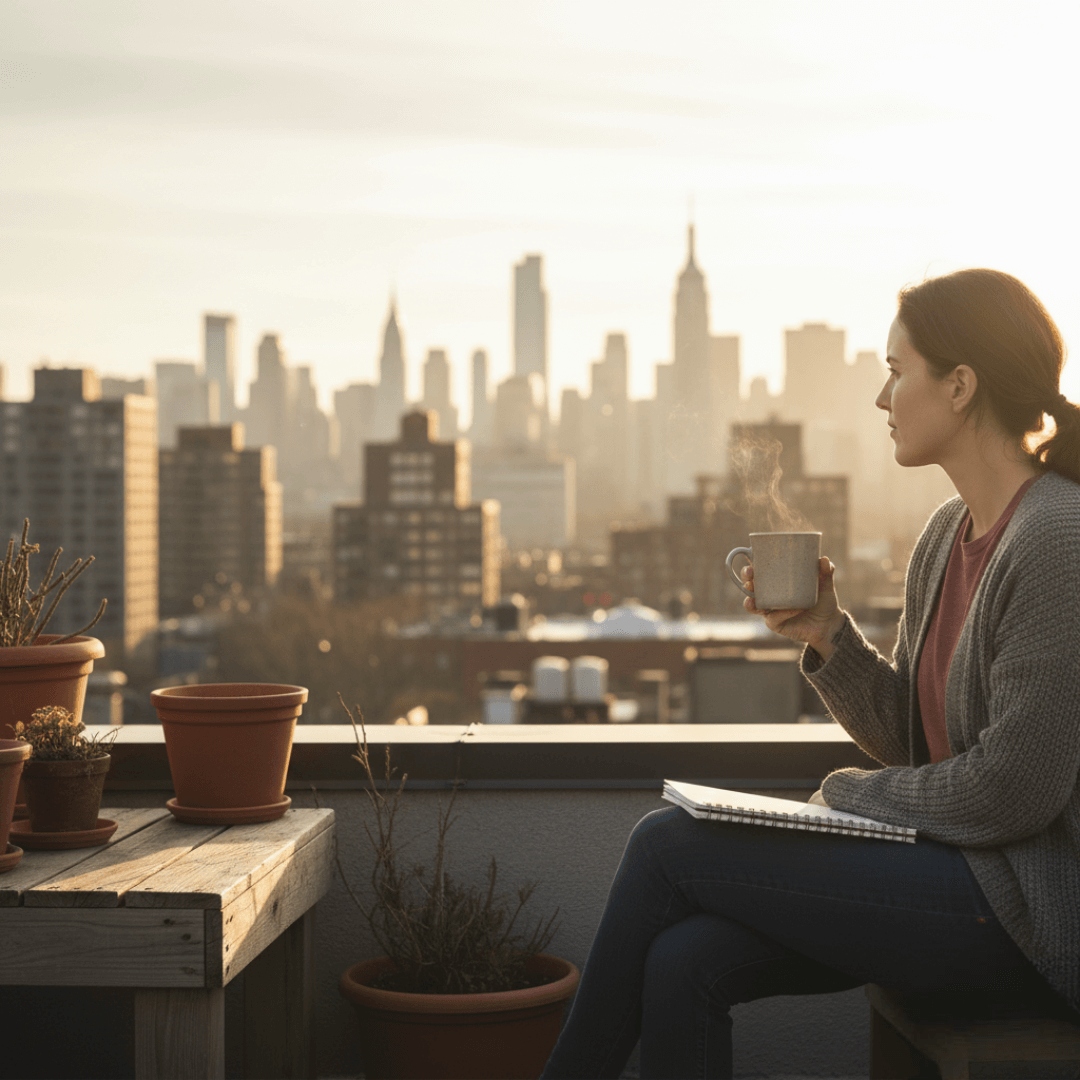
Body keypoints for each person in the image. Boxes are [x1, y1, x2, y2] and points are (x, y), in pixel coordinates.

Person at [541, 268, 1080, 1080]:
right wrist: (828, 633)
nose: (880, 396)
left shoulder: (1056, 540)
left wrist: (845, 799)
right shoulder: (946, 536)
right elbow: (914, 742)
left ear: (961, 385)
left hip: (1027, 914)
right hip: (949, 884)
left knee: (665, 845)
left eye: (898, 371)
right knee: (682, 959)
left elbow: (1014, 788)